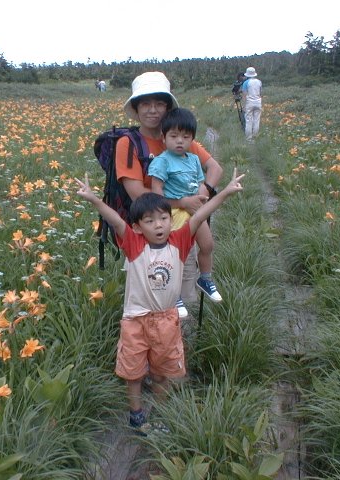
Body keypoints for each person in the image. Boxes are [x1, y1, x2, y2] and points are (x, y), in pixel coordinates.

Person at [74, 168, 245, 434]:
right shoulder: (133, 243)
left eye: (164, 218)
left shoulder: (179, 240)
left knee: (163, 372)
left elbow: (199, 214)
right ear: (137, 227)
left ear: (171, 221)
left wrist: (225, 191)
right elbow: (116, 222)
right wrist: (95, 200)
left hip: (167, 318)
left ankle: (162, 414)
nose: (159, 225)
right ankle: (136, 414)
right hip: (135, 320)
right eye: (150, 221)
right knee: (133, 372)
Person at [115, 71, 223, 317]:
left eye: (159, 103)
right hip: (147, 238)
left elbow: (215, 169)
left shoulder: (180, 139)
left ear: (167, 107)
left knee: (185, 290)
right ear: (136, 107)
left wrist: (201, 194)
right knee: (150, 302)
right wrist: (185, 202)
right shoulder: (128, 143)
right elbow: (138, 196)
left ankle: (180, 349)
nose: (153, 110)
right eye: (145, 103)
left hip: (185, 228)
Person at [148, 107, 222, 303]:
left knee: (207, 245)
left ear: (193, 139)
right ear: (163, 138)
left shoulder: (195, 160)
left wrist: (201, 197)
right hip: (174, 214)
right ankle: (176, 294)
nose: (180, 141)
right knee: (177, 256)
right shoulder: (161, 162)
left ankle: (205, 279)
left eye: (186, 136)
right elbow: (157, 194)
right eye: (174, 136)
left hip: (194, 212)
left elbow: (199, 182)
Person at [241, 67, 262, 142]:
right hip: (258, 102)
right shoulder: (259, 82)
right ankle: (255, 137)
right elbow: (260, 93)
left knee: (249, 121)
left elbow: (244, 95)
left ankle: (249, 139)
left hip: (249, 103)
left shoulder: (246, 83)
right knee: (257, 120)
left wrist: (244, 105)